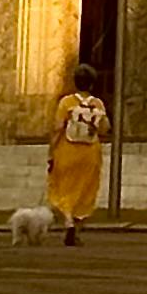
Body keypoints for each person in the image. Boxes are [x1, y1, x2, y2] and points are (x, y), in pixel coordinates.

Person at [46, 62, 110, 247]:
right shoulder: (98, 104)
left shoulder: (66, 102)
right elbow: (105, 128)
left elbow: (58, 128)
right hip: (90, 153)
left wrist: (51, 151)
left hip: (67, 151)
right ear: (92, 84)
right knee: (86, 191)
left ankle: (68, 221)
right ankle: (77, 229)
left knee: (64, 189)